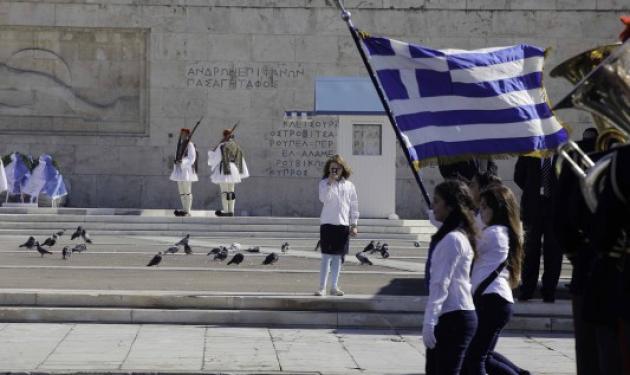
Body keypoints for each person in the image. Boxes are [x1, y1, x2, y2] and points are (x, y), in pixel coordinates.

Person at [464, 185, 529, 375]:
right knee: (485, 355)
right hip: (495, 301)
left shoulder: (495, 234)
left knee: (475, 359)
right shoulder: (499, 232)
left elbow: (464, 244)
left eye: (484, 207)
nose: (481, 212)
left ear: (498, 209)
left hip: (492, 302)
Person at [423, 180, 478, 375]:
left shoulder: (453, 239)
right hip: (455, 314)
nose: (433, 206)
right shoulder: (457, 235)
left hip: (454, 316)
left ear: (451, 206)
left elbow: (440, 284)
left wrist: (430, 320)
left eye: (437, 202)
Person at [513, 154, 562, 302]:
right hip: (533, 208)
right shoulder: (529, 153)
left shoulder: (564, 155)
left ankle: (549, 291)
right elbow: (518, 177)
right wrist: (532, 190)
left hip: (555, 209)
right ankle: (527, 289)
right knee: (530, 250)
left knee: (553, 251)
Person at [315, 154, 359, 297]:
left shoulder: (349, 186)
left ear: (342, 169)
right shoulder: (324, 183)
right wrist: (330, 183)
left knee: (338, 258)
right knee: (326, 257)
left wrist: (354, 224)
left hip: (343, 225)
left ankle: (334, 286)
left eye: (338, 168)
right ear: (328, 169)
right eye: (332, 168)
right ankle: (322, 287)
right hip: (328, 224)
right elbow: (323, 199)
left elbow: (353, 206)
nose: (335, 171)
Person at [207, 128, 249, 217]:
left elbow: (215, 159)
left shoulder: (222, 146)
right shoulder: (235, 146)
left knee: (224, 191)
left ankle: (226, 211)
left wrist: (211, 153)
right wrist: (241, 171)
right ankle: (231, 211)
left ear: (224, 136)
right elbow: (240, 158)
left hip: (224, 168)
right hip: (233, 169)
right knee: (231, 191)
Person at [170, 128, 198, 217]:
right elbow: (177, 156)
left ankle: (188, 210)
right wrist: (176, 161)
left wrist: (182, 162)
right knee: (181, 191)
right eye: (181, 134)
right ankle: (184, 209)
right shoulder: (180, 144)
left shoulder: (190, 145)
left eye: (183, 134)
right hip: (179, 170)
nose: (182, 135)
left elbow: (192, 158)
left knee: (187, 191)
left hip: (186, 170)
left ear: (187, 135)